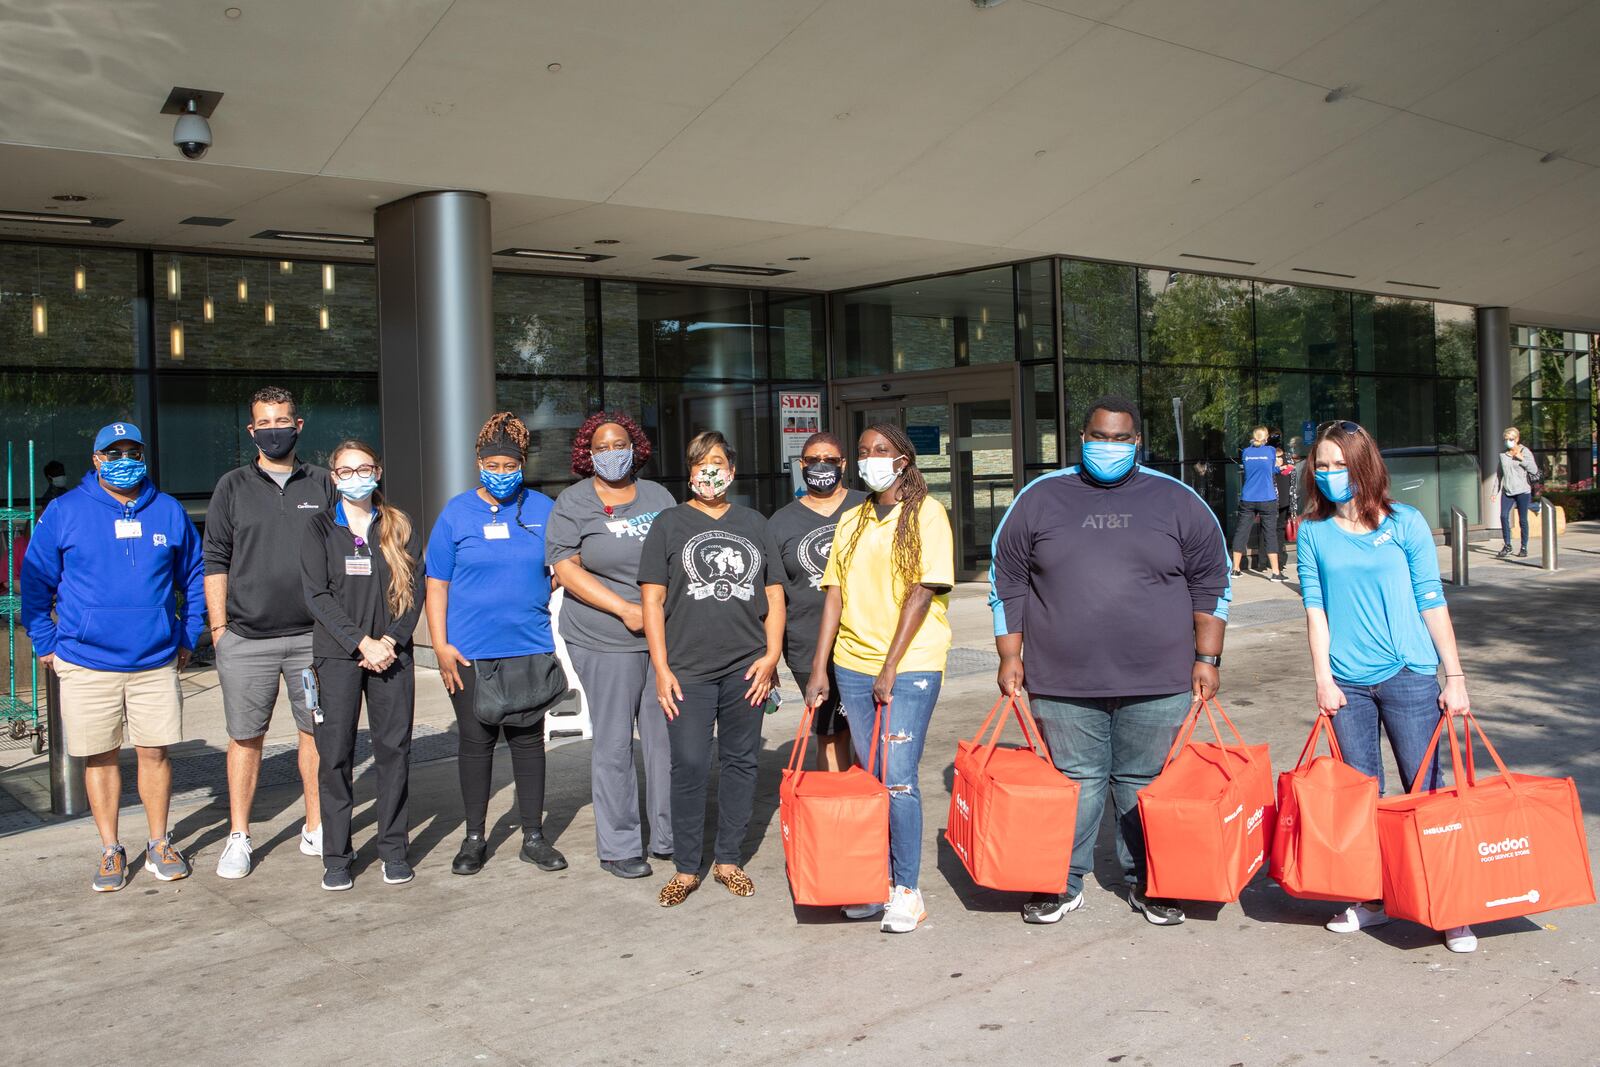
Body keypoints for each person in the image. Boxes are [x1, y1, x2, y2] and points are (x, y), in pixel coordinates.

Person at [989, 395, 1231, 928]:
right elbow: (1006, 581)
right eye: (1100, 436)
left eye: (1121, 438)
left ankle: (1150, 883)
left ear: (1138, 442)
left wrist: (1207, 658)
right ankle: (1062, 882)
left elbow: (1212, 581)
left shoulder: (1178, 500)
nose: (1109, 447)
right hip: (1061, 678)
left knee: (1143, 783)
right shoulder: (1039, 498)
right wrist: (1011, 655)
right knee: (1075, 782)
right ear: (1081, 436)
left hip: (1159, 677)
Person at [1295, 419, 1476, 953]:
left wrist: (1455, 676)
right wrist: (1323, 680)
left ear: (1363, 466)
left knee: (1425, 793)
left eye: (1339, 465)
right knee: (1362, 797)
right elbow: (1316, 610)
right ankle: (1372, 899)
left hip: (1409, 675)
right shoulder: (1312, 531)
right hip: (1347, 683)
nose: (1330, 475)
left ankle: (1447, 905)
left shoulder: (1406, 524)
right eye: (1321, 466)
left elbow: (1431, 600)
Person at [20, 422, 204, 892]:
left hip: (155, 660)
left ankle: (158, 842)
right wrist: (45, 641)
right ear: (97, 459)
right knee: (99, 758)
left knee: (154, 753)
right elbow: (36, 582)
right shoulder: (64, 512)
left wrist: (188, 633)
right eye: (114, 452)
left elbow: (196, 576)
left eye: (132, 451)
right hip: (86, 661)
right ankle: (110, 849)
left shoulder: (167, 511)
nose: (125, 460)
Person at [806, 423, 954, 934]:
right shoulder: (852, 520)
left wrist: (890, 666)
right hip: (851, 663)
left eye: (882, 451)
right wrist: (820, 668)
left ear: (904, 460)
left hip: (909, 665)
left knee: (897, 777)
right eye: (864, 451)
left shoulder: (927, 515)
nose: (871, 458)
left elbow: (922, 592)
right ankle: (875, 881)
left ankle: (907, 890)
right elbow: (834, 596)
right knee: (872, 778)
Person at [638, 430, 784, 908]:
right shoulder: (668, 524)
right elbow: (653, 600)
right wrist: (660, 666)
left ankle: (728, 861)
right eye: (701, 463)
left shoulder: (754, 523)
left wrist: (771, 655)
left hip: (746, 667)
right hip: (687, 670)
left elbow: (775, 596)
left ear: (732, 471)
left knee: (742, 763)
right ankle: (686, 867)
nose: (710, 471)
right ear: (690, 470)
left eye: (718, 462)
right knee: (691, 765)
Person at [425, 412, 567, 877]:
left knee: (528, 743)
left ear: (523, 464)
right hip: (468, 653)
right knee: (475, 742)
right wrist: (440, 645)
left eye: (511, 465)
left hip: (528, 646)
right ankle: (474, 837)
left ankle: (533, 835)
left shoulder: (544, 510)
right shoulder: (456, 513)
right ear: (479, 464)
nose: (502, 473)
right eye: (494, 465)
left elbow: (562, 571)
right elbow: (437, 584)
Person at [206, 386, 334, 879]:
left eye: (283, 420)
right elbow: (214, 559)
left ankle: (316, 825)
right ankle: (239, 835)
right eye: (265, 422)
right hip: (246, 638)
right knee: (245, 737)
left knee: (315, 733)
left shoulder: (323, 483)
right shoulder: (231, 487)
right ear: (252, 430)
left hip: (312, 638)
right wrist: (219, 630)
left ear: (298, 426)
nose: (274, 429)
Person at [546, 412, 675, 879]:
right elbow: (565, 568)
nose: (611, 452)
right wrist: (624, 609)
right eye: (601, 446)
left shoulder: (658, 495)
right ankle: (620, 845)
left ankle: (668, 836)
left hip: (661, 638)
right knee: (616, 742)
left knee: (664, 739)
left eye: (618, 443)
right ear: (588, 453)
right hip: (605, 637)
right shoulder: (573, 502)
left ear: (634, 446)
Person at [300, 441, 422, 891]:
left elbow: (416, 591)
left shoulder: (399, 526)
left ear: (378, 471)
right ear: (334, 477)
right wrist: (361, 643)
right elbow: (317, 595)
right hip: (338, 656)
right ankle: (337, 856)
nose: (356, 477)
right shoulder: (317, 529)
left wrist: (390, 640)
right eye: (346, 471)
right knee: (335, 757)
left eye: (364, 468)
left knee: (394, 753)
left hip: (393, 655)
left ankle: (393, 849)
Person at [769, 431, 866, 771]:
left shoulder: (867, 507)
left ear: (843, 464)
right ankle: (839, 810)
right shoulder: (781, 523)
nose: (820, 466)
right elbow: (774, 595)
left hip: (867, 643)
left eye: (829, 460)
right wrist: (770, 655)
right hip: (807, 647)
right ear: (801, 465)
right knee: (830, 733)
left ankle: (870, 805)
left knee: (871, 732)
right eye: (812, 460)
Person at [1231, 426, 1285, 581]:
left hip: (1248, 497)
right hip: (1267, 497)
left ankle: (1235, 569)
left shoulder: (1246, 452)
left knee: (1242, 531)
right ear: (1266, 438)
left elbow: (1255, 467)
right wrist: (1279, 468)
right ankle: (1275, 572)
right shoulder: (1270, 451)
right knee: (1270, 533)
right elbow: (1270, 469)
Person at [1494, 426, 1541, 559]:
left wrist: (1521, 458)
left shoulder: (1525, 452)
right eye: (1506, 439)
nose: (1508, 441)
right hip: (1508, 490)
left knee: (1523, 520)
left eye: (1511, 439)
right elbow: (1499, 474)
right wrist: (1494, 492)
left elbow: (1534, 470)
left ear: (1517, 439)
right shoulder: (1503, 455)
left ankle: (1524, 546)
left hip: (1523, 491)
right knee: (1503, 516)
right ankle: (1507, 545)